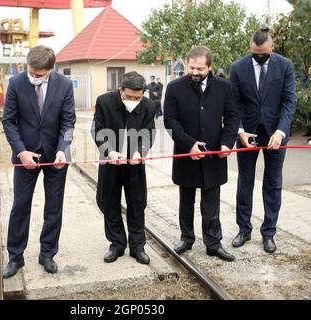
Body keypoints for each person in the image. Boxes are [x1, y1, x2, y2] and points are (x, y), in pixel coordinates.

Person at [2, 45, 76, 277]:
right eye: (30, 73)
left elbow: (68, 121)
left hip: (56, 156)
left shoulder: (64, 85)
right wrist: (21, 151)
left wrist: (63, 149)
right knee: (20, 205)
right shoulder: (15, 83)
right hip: (25, 155)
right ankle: (15, 257)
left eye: (39, 75)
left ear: (50, 70)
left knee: (54, 207)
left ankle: (47, 253)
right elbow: (9, 121)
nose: (33, 77)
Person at [164, 46, 239, 262]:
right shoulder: (174, 88)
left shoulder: (225, 88)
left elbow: (232, 117)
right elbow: (170, 120)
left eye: (200, 68)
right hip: (186, 154)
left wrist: (227, 143)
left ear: (210, 67)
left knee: (211, 204)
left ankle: (213, 243)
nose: (195, 72)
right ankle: (186, 238)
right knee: (186, 202)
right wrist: (188, 145)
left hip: (214, 156)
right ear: (187, 63)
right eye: (192, 67)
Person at [229, 26, 296, 253]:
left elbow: (289, 101)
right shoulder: (237, 68)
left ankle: (269, 233)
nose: (259, 58)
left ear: (272, 47)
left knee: (273, 182)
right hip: (247, 133)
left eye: (264, 54)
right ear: (250, 48)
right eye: (255, 54)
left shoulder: (285, 66)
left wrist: (280, 132)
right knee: (244, 181)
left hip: (275, 134)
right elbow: (234, 104)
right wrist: (239, 131)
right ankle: (244, 229)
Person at [91, 71, 156, 265]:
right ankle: (117, 244)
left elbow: (149, 133)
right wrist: (109, 151)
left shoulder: (149, 106)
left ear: (143, 93)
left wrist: (140, 152)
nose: (132, 101)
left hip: (135, 164)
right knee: (108, 202)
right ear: (121, 90)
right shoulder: (104, 102)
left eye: (137, 97)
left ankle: (138, 247)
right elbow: (98, 129)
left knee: (137, 204)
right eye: (128, 97)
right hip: (111, 162)